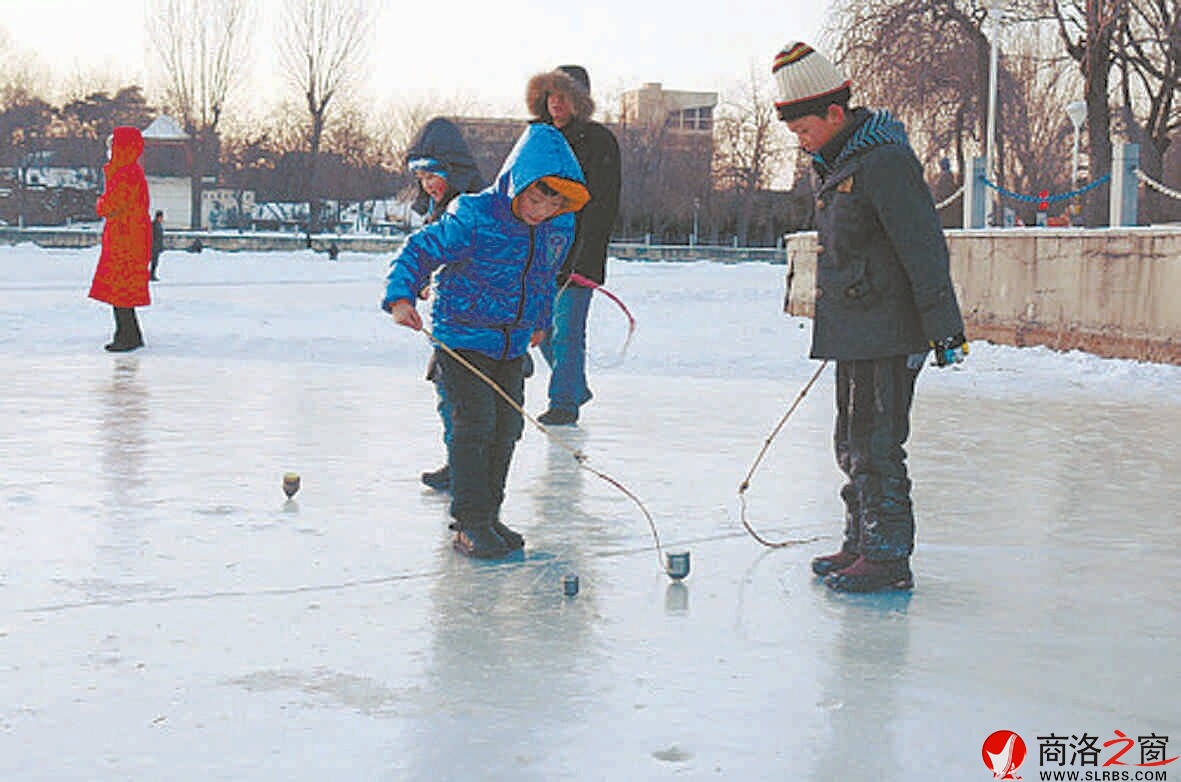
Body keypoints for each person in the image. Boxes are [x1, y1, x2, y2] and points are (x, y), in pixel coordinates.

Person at [771, 41, 968, 592]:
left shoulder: (885, 161)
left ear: (835, 114)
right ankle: (860, 541)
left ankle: (886, 557)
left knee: (878, 442)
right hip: (856, 328)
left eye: (804, 129)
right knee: (851, 439)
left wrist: (943, 327)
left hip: (891, 328)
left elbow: (923, 245)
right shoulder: (837, 162)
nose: (801, 140)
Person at [382, 123, 589, 559]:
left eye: (553, 202)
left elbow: (543, 280)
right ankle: (469, 524)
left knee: (507, 429)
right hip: (462, 339)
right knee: (473, 425)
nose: (541, 209)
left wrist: (539, 322)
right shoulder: (474, 214)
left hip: (511, 344)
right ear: (517, 182)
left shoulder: (555, 227)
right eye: (535, 197)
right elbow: (420, 249)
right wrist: (401, 296)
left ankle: (489, 517)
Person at [525, 65, 621, 426]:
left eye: (564, 95)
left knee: (566, 331)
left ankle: (564, 403)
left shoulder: (598, 141)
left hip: (579, 250)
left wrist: (585, 254)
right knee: (540, 328)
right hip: (538, 250)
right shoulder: (537, 137)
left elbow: (603, 202)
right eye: (551, 95)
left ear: (579, 101)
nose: (556, 103)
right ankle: (573, 385)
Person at [404, 118, 488, 493]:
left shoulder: (474, 209)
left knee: (469, 405)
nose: (428, 185)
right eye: (421, 179)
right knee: (447, 397)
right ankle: (458, 462)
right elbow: (428, 253)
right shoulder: (438, 213)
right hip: (448, 324)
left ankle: (471, 469)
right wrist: (420, 282)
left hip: (477, 323)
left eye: (433, 176)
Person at [89, 126, 152, 352]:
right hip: (130, 237)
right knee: (123, 289)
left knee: (120, 288)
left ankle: (126, 336)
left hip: (124, 239)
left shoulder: (125, 174)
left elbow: (108, 205)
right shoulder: (132, 172)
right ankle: (129, 334)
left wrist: (100, 202)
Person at [150, 210, 165, 281]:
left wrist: (161, 246)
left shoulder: (158, 225)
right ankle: (151, 275)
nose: (162, 219)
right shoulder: (154, 225)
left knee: (155, 262)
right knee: (153, 261)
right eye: (161, 217)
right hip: (153, 246)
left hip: (156, 246)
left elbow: (160, 237)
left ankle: (152, 274)